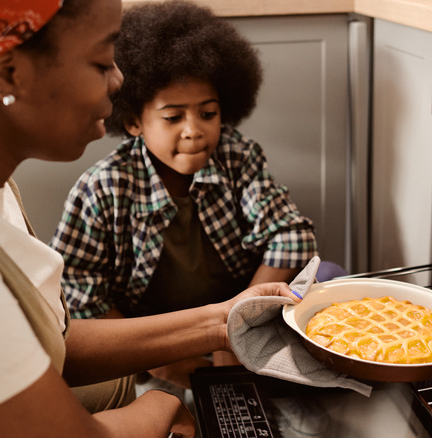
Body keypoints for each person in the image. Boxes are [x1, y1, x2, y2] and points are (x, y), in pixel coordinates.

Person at [0, 1, 298, 437]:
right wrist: (160, 407)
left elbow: (55, 339)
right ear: (8, 73)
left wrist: (225, 321)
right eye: (102, 60)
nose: (119, 79)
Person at [49, 0, 319, 390]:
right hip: (152, 345)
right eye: (173, 117)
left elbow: (292, 236)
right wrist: (169, 363)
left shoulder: (237, 157)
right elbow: (80, 294)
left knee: (329, 282)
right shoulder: (101, 188)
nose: (194, 130)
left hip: (240, 322)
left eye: (207, 114)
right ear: (133, 121)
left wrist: (238, 321)